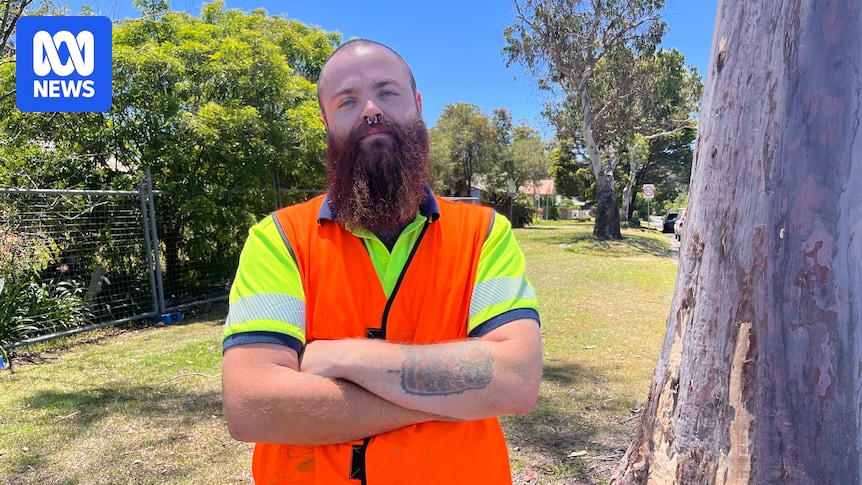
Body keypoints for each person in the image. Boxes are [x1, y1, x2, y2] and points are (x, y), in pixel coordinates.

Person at [221, 39, 542, 484]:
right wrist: (449, 397)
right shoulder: (279, 239)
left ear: (418, 105)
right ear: (326, 121)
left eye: (387, 92)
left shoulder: (484, 233)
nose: (371, 110)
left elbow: (516, 380)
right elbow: (252, 406)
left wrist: (342, 355)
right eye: (347, 101)